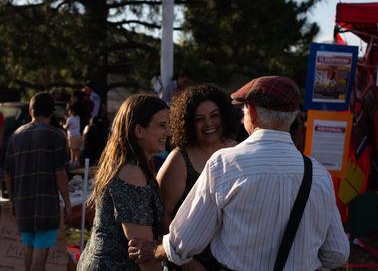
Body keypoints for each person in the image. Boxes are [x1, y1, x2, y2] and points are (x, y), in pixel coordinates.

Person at [128, 76, 350, 271]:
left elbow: (186, 240)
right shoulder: (319, 173)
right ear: (292, 116)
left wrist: (155, 251)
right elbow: (337, 252)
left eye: (244, 109)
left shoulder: (225, 163)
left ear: (251, 113)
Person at [77, 94, 171, 271]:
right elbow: (142, 252)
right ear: (139, 131)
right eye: (161, 126)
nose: (169, 132)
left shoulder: (134, 165)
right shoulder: (131, 172)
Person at [157, 84, 241, 270]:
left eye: (214, 115)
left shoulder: (238, 152)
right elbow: (161, 215)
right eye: (200, 119)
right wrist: (186, 261)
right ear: (188, 123)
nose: (209, 123)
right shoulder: (179, 159)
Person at [4, 92, 71, 271]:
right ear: (51, 113)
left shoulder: (15, 136)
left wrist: (12, 201)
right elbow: (60, 174)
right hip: (46, 204)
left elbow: (8, 174)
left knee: (29, 250)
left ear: (31, 111)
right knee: (40, 257)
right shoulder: (57, 136)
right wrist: (67, 202)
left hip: (23, 204)